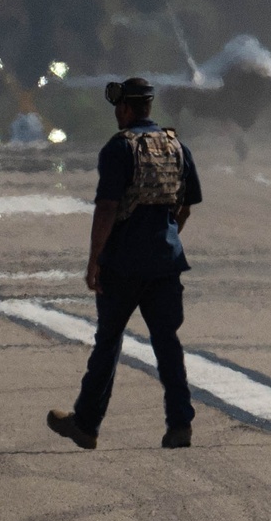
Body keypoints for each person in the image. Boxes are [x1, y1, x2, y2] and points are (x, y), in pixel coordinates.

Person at [47, 77, 202, 450]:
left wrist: (94, 259)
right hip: (166, 264)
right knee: (167, 345)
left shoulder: (119, 149)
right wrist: (166, 236)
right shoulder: (176, 145)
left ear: (127, 108)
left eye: (119, 107)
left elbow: (107, 208)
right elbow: (186, 205)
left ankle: (86, 424)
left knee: (108, 343)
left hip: (122, 265)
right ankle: (179, 425)